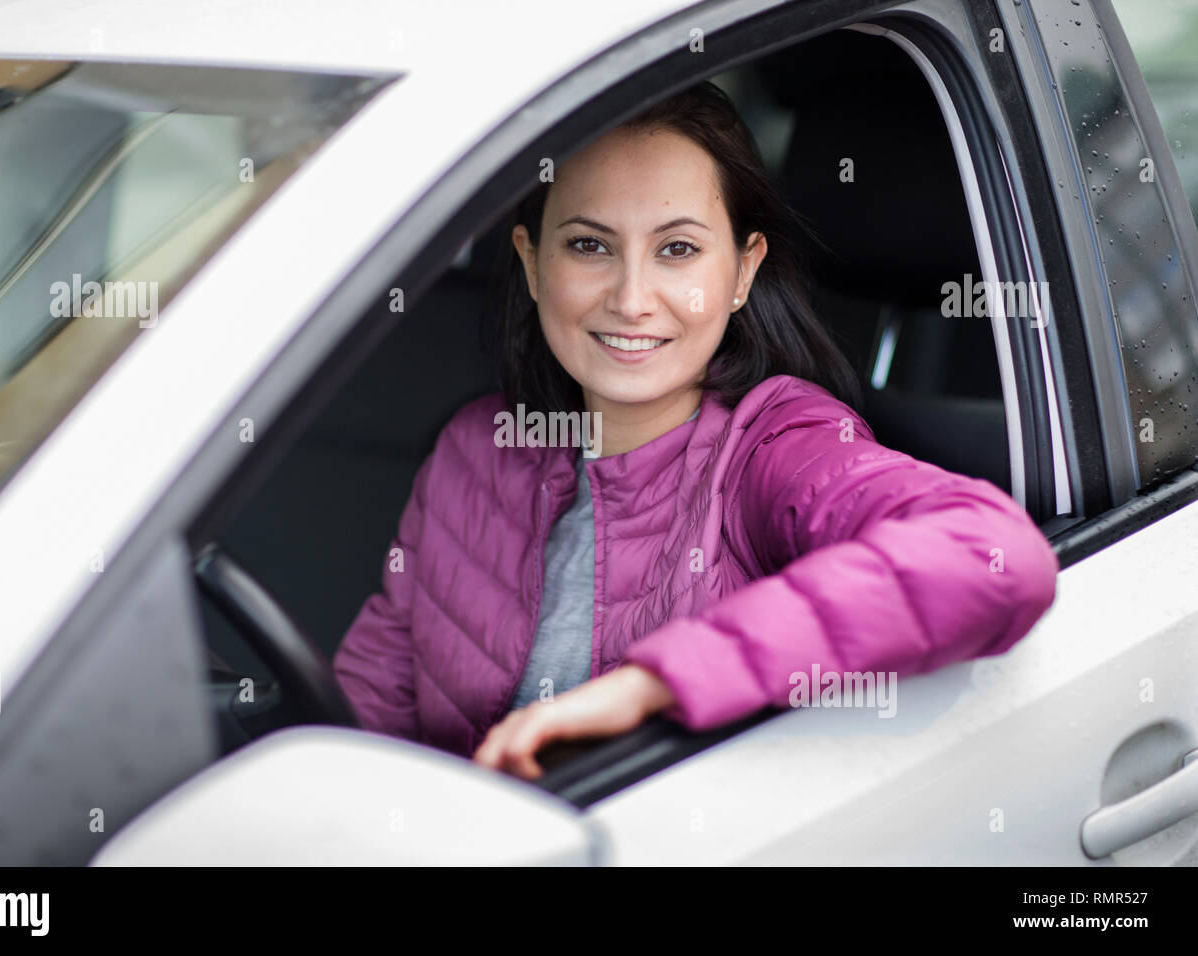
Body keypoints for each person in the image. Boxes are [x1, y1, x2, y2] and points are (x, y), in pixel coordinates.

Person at [332, 80, 1059, 781]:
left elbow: (991, 553)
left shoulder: (776, 446)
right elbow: (368, 719)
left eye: (677, 249)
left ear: (743, 271)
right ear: (531, 259)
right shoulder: (473, 449)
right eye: (589, 246)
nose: (631, 298)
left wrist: (655, 684)